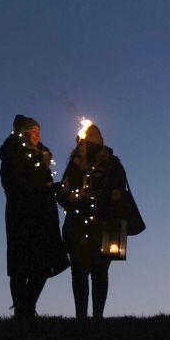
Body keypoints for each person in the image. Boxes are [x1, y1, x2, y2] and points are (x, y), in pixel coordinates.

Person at [56, 123, 132, 319]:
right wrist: (69, 198)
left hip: (103, 224)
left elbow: (119, 190)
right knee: (79, 272)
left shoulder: (113, 164)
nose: (86, 140)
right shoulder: (74, 164)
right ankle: (81, 316)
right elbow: (62, 193)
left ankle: (97, 315)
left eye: (92, 135)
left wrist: (114, 197)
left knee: (100, 270)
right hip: (76, 224)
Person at [0, 115, 69, 318]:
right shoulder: (12, 156)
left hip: (44, 218)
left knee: (43, 263)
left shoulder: (41, 158)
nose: (38, 134)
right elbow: (15, 186)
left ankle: (27, 307)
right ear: (22, 132)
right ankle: (23, 311)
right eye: (33, 130)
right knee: (20, 265)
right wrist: (46, 187)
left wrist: (53, 188)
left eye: (39, 130)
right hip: (21, 217)